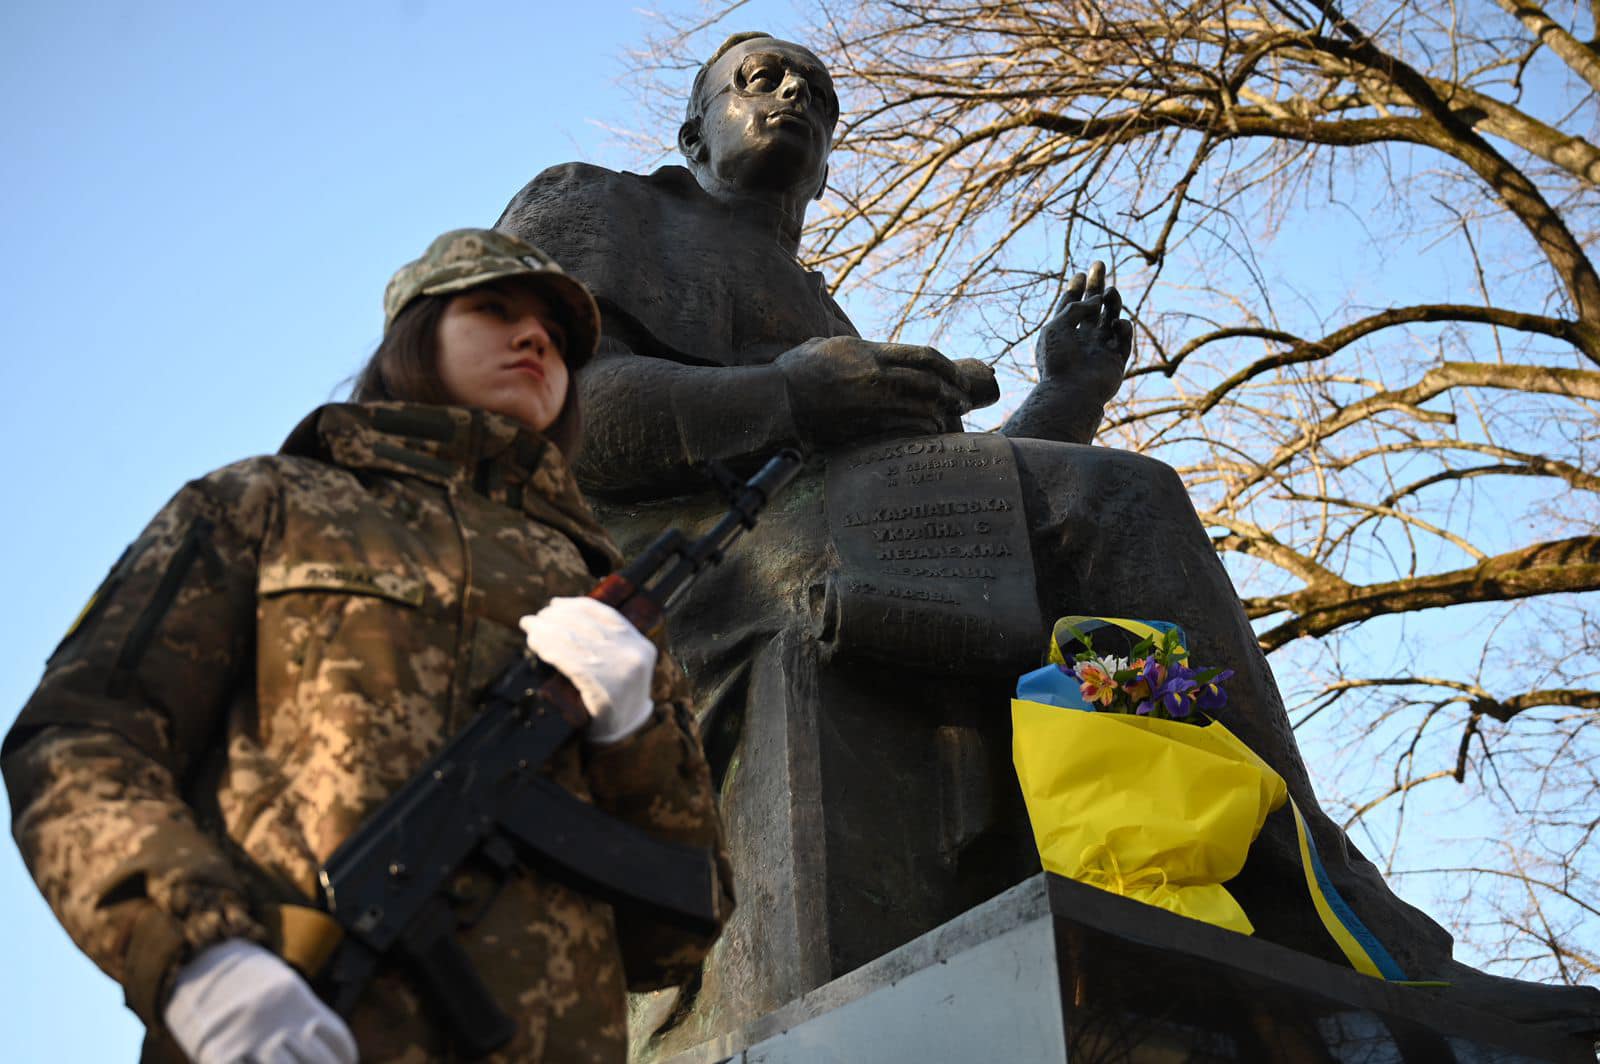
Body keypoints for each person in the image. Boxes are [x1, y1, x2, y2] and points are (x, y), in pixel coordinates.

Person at [497, 32, 1600, 1057]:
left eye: (817, 96)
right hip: (689, 571)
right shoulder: (596, 206)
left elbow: (972, 521)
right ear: (692, 133)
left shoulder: (820, 305)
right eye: (758, 79)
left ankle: (1227, 910)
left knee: (1103, 532)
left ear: (829, 166)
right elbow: (555, 401)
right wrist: (786, 396)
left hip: (840, 532)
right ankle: (1353, 925)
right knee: (1120, 507)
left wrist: (1063, 396)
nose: (790, 95)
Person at [2, 229, 733, 1063]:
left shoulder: (598, 595)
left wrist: (630, 730)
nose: (536, 340)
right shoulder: (266, 502)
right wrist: (200, 961)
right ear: (415, 338)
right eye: (493, 309)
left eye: (557, 337)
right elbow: (78, 739)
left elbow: (674, 935)